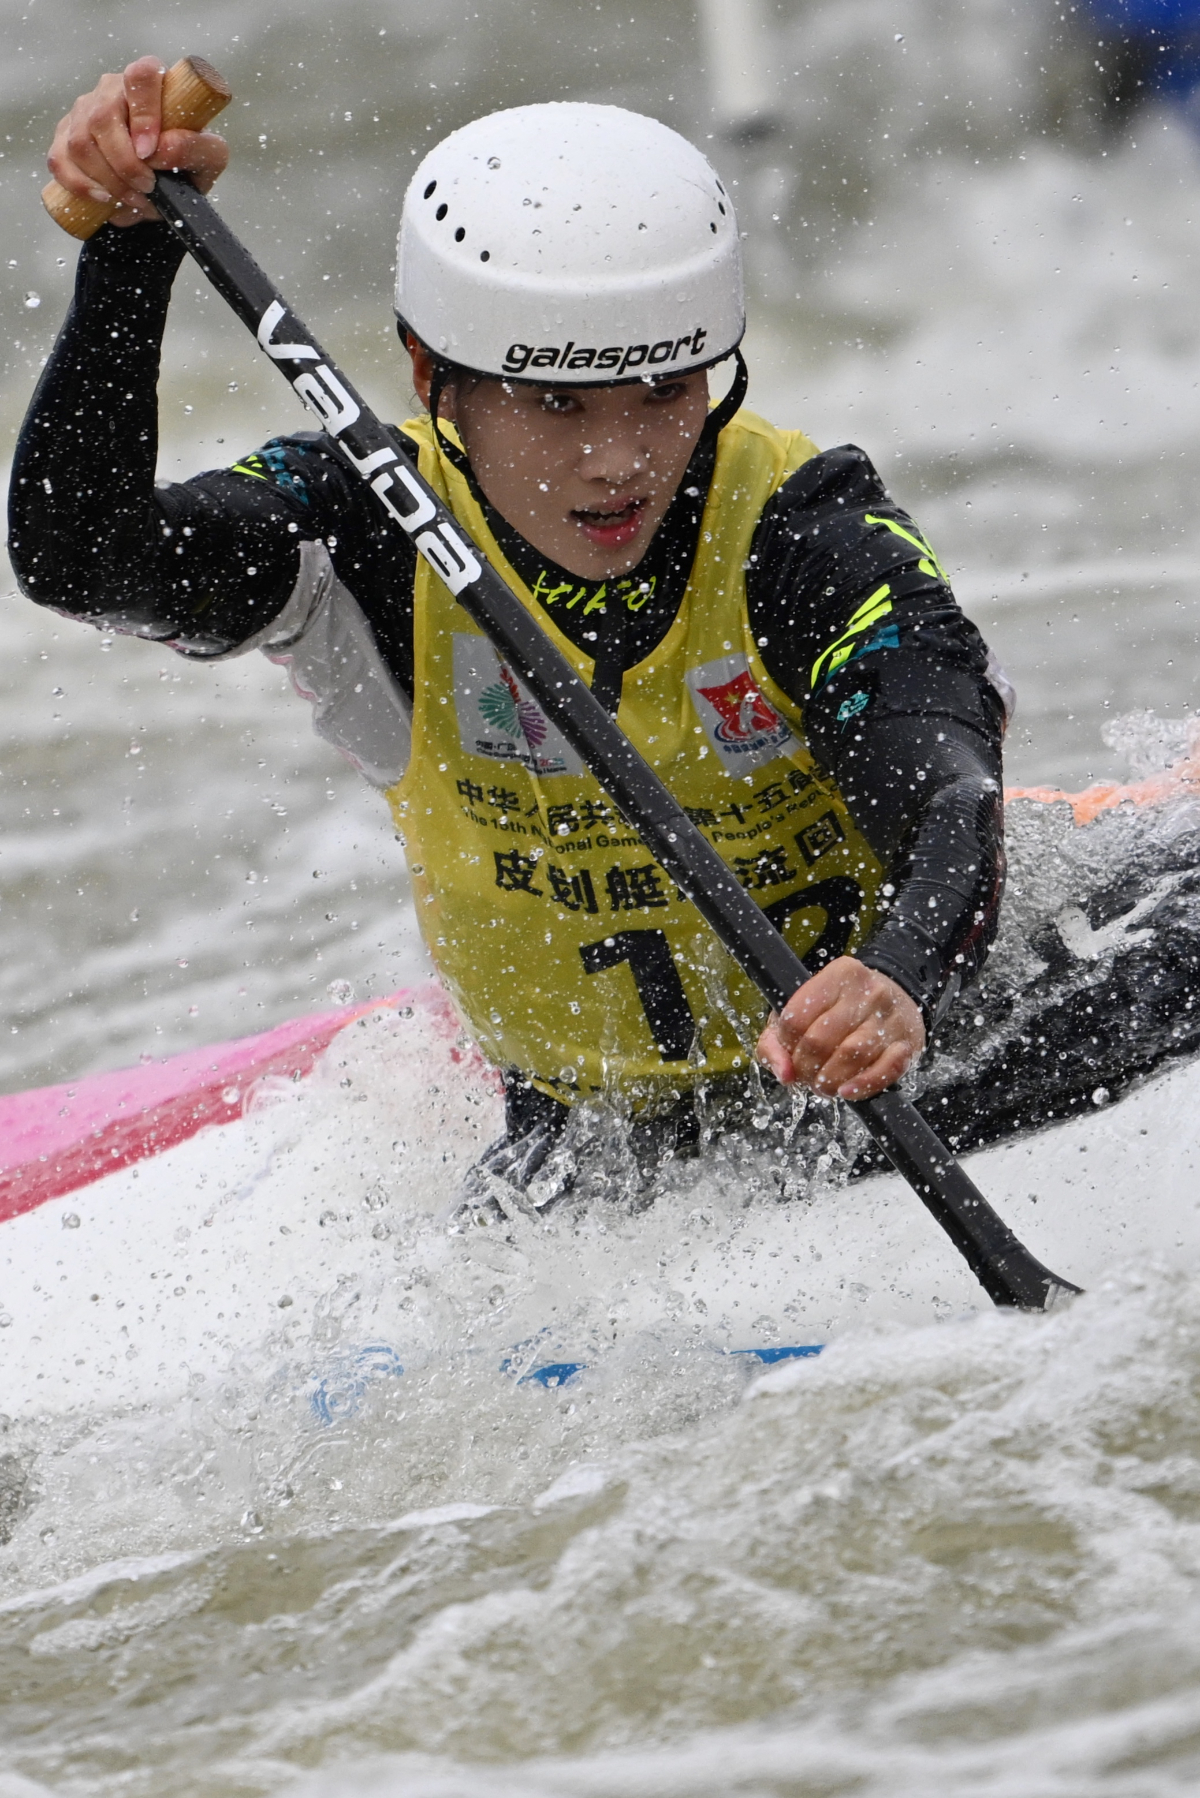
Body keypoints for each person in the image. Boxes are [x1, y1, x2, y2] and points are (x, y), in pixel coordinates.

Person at [9, 58, 1009, 1200]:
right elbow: (85, 560)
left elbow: (950, 792)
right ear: (433, 373)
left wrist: (894, 979)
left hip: (931, 1075)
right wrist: (132, 248)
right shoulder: (368, 531)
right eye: (557, 405)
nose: (619, 460)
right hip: (585, 1146)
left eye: (666, 391)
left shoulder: (805, 535)